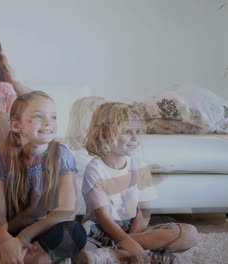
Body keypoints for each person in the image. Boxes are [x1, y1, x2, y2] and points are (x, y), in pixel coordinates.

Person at [0, 91, 87, 263]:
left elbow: (66, 212)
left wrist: (23, 237)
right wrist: (5, 240)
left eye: (53, 117)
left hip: (40, 232)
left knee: (75, 232)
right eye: (38, 116)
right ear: (16, 125)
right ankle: (24, 259)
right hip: (6, 231)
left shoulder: (62, 155)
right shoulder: (2, 160)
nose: (48, 122)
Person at [80, 102, 199, 263]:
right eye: (127, 132)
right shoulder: (95, 169)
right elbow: (103, 218)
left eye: (138, 131)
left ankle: (115, 255)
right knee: (84, 250)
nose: (135, 137)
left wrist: (132, 241)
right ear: (105, 134)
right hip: (100, 230)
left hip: (132, 230)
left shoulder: (140, 165)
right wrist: (129, 243)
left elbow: (144, 213)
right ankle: (141, 254)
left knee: (190, 234)